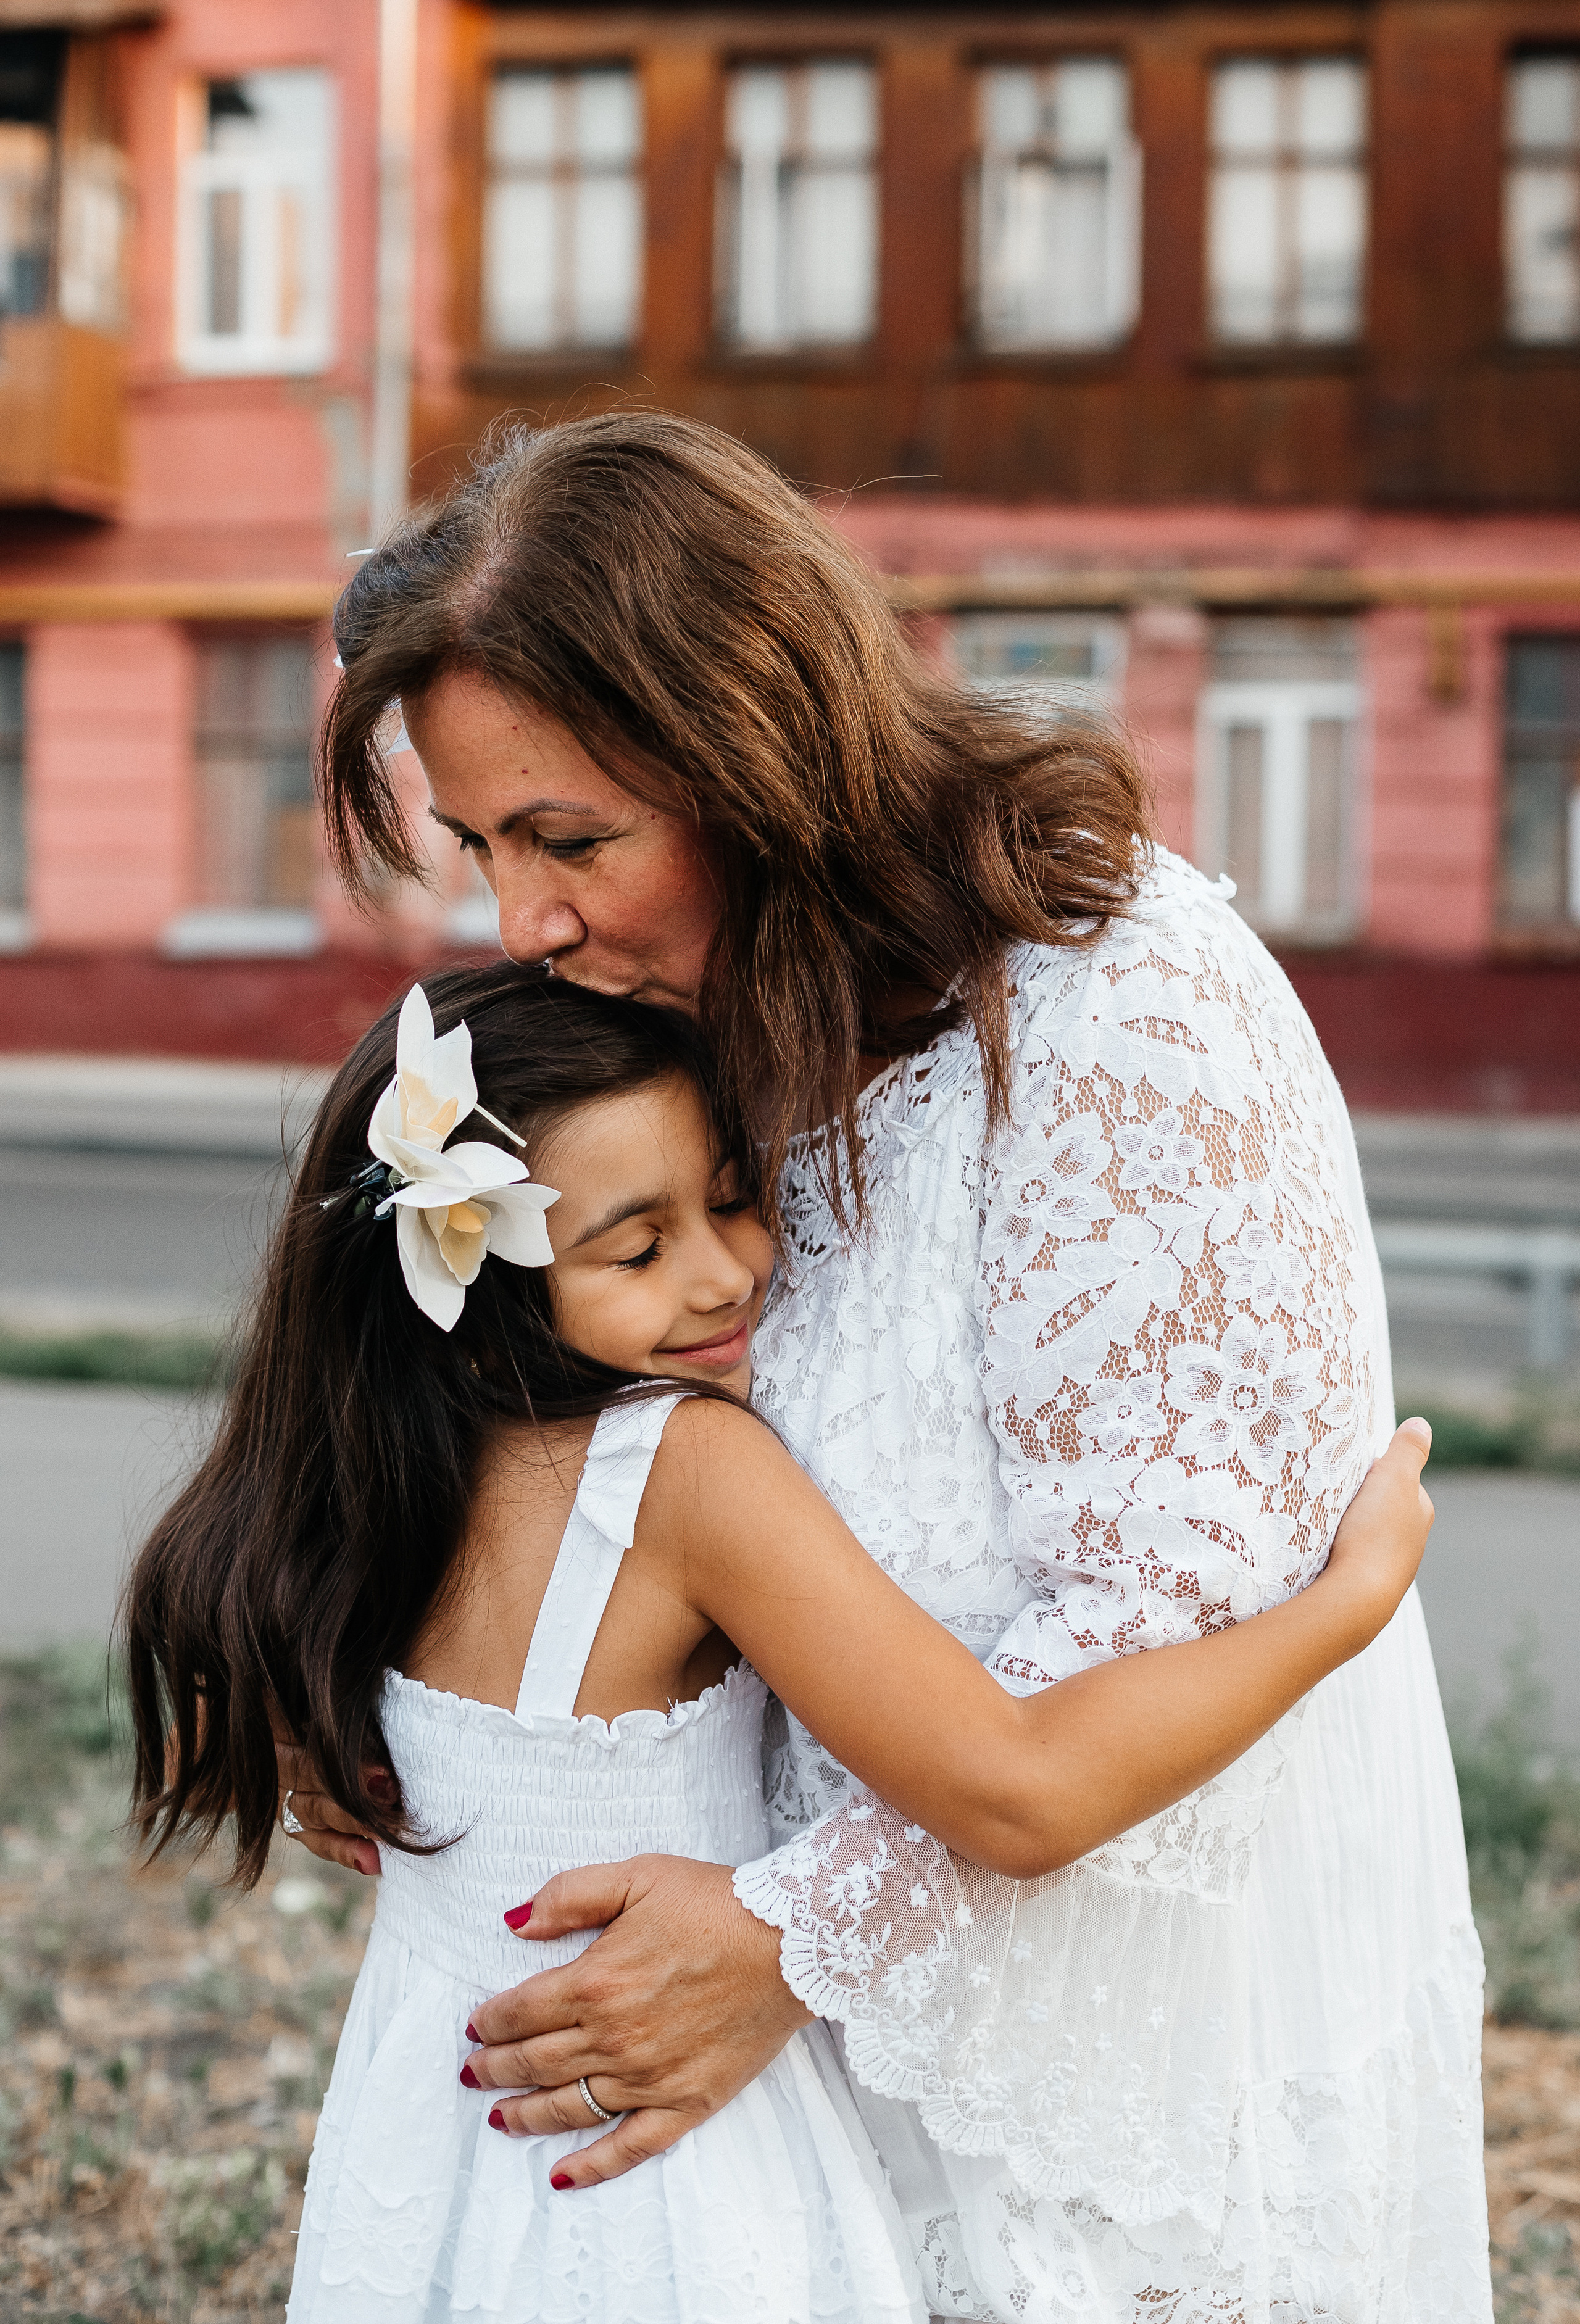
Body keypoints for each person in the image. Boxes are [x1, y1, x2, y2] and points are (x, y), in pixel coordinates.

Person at [291, 412, 1491, 2322]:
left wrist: (790, 1936)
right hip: (779, 2106)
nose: (523, 921)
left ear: (752, 752)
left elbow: (1157, 1646)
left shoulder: (1125, 1008)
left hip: (1115, 2039)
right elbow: (552, 1432)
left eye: (572, 837)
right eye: (484, 846)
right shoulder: (711, 1024)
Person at [123, 968, 1429, 2324]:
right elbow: (1021, 1787)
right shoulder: (682, 1470)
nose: (722, 1272)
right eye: (634, 1249)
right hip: (668, 2180)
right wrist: (1341, 1603)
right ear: (464, 1288)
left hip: (434, 2151)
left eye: (736, 1195)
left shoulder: (338, 1500)